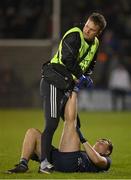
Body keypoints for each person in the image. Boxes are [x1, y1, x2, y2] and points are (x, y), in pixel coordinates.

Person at [40, 12, 107, 173]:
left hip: (66, 85)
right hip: (53, 81)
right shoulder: (74, 35)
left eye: (92, 30)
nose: (87, 30)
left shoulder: (95, 43)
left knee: (75, 123)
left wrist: (87, 76)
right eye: (86, 26)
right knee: (52, 123)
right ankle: (44, 163)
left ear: (98, 33)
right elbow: (67, 60)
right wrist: (81, 77)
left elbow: (90, 65)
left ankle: (51, 157)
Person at [6, 91, 113, 174]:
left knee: (71, 122)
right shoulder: (85, 153)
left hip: (70, 161)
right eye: (100, 140)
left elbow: (97, 160)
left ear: (107, 152)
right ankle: (23, 164)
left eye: (103, 142)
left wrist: (82, 138)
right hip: (56, 159)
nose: (99, 141)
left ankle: (74, 89)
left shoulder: (106, 161)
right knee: (32, 132)